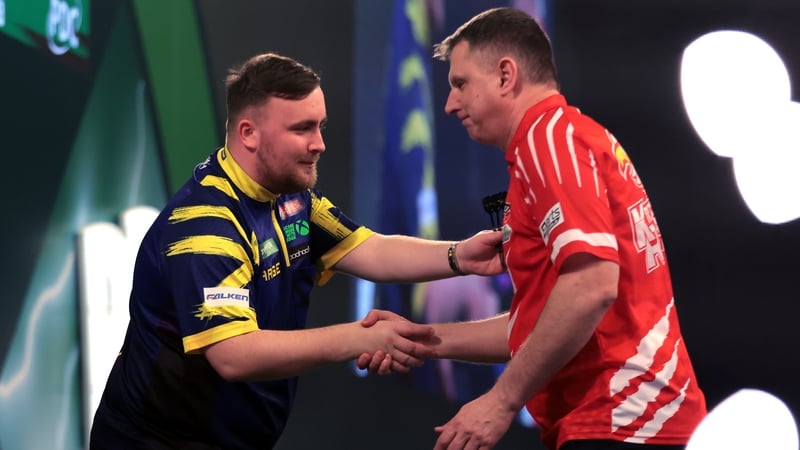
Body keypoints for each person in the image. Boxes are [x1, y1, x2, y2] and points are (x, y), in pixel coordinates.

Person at [88, 52, 504, 450]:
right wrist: (358, 338)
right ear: (248, 133)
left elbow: (368, 249)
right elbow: (235, 354)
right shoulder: (205, 226)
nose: (320, 143)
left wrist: (460, 257)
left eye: (320, 125)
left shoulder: (290, 197)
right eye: (302, 128)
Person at [359, 7, 706, 450]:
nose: (448, 104)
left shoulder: (548, 140)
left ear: (506, 75)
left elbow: (590, 287)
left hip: (622, 421)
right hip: (628, 420)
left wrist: (500, 401)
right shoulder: (568, 139)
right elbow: (541, 324)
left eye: (460, 83)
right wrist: (424, 340)